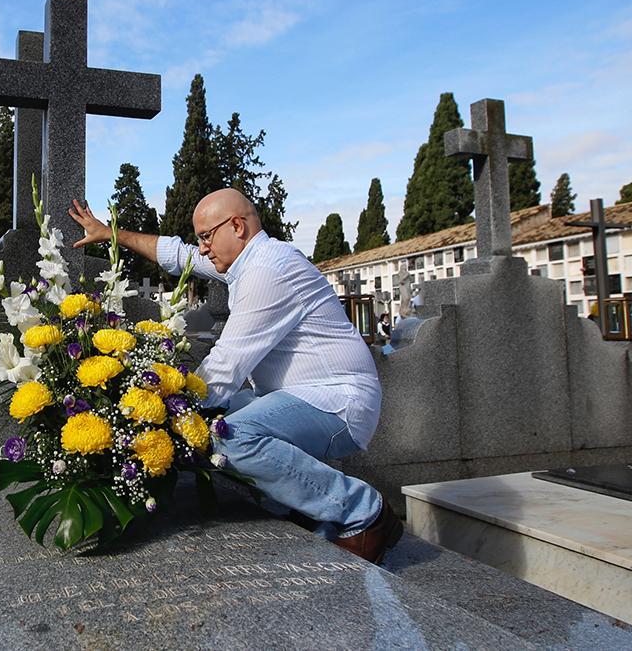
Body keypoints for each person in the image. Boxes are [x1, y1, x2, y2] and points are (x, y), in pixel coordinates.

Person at [69, 188, 402, 563]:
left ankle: (362, 512)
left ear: (238, 226)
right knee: (218, 418)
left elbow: (226, 366)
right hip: (301, 395)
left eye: (206, 236)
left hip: (339, 403)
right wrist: (111, 234)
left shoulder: (268, 271)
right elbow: (180, 256)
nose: (203, 248)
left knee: (229, 437)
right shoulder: (249, 260)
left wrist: (160, 417)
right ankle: (303, 506)